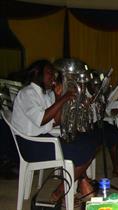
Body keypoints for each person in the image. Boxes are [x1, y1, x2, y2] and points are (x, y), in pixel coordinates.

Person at [11, 60, 96, 200]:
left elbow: (55, 121)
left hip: (42, 139)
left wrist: (58, 97)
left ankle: (79, 182)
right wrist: (63, 98)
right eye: (49, 73)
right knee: (85, 150)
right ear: (37, 74)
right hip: (31, 146)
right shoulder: (27, 93)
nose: (53, 77)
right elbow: (42, 119)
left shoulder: (43, 94)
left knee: (88, 142)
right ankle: (61, 192)